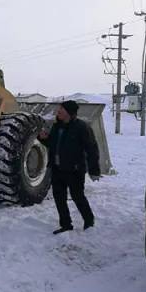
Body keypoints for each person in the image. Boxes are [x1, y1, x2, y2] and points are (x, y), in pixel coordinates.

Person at [39, 100, 101, 235]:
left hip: (75, 170)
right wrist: (43, 139)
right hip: (57, 169)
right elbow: (52, 144)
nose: (58, 111)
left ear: (69, 113)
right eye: (59, 109)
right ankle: (66, 224)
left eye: (61, 109)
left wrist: (94, 170)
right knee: (59, 198)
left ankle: (89, 221)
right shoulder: (57, 127)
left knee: (78, 196)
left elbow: (92, 149)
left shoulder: (82, 128)